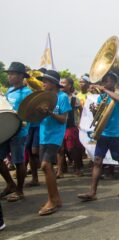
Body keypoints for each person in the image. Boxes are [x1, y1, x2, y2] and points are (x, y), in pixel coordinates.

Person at [78, 71, 119, 201]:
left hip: (116, 135)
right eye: (103, 82)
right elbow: (99, 117)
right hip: (103, 134)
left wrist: (104, 90)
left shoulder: (118, 94)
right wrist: (94, 110)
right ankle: (92, 192)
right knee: (97, 161)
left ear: (114, 82)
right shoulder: (100, 97)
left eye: (106, 81)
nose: (103, 84)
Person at [36, 70, 71, 215]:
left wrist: (49, 112)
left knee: (46, 165)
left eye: (46, 81)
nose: (43, 83)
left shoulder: (62, 97)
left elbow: (63, 119)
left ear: (54, 84)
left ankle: (52, 201)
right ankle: (55, 198)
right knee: (45, 168)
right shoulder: (42, 97)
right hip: (43, 135)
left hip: (55, 137)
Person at [0, 62, 32, 202]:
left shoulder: (27, 93)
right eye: (9, 74)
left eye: (13, 74)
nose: (10, 77)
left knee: (19, 162)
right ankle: (10, 184)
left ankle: (20, 190)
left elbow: (29, 112)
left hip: (19, 131)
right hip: (7, 130)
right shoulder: (9, 91)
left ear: (21, 76)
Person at [57, 77, 84, 177]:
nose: (62, 84)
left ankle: (78, 168)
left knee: (73, 149)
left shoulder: (74, 99)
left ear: (70, 86)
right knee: (60, 149)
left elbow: (81, 109)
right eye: (61, 82)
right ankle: (60, 170)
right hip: (59, 127)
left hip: (70, 126)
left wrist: (81, 121)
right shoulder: (57, 97)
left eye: (64, 83)